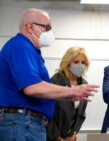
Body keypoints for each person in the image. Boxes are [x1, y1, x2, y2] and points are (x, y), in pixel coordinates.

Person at [0, 8, 99, 141]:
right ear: (29, 27)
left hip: (27, 123)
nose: (49, 33)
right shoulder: (22, 47)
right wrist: (72, 91)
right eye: (47, 28)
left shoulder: (29, 50)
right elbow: (32, 88)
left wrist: (68, 96)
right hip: (23, 124)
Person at [46, 47, 91, 141]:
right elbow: (47, 112)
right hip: (52, 137)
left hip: (70, 137)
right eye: (76, 62)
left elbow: (81, 114)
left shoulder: (84, 85)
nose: (80, 65)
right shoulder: (55, 81)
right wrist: (56, 137)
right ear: (68, 63)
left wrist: (74, 133)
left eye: (83, 62)